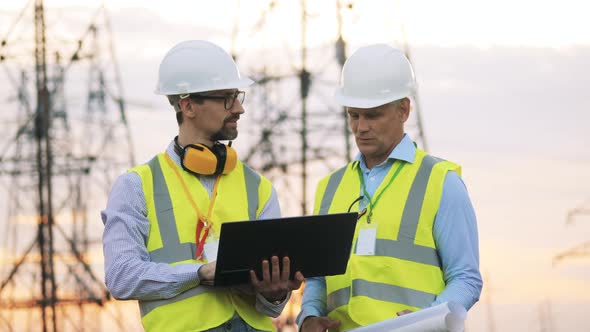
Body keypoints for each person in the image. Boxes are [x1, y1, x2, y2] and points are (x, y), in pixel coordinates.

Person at [101, 40, 304, 332]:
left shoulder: (257, 187)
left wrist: (275, 292)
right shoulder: (136, 186)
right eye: (227, 98)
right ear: (188, 105)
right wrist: (197, 273)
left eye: (237, 96)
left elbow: (271, 306)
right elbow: (121, 275)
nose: (239, 108)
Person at [297, 44, 483, 331]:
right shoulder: (329, 188)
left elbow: (466, 278)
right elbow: (318, 278)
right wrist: (308, 316)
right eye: (353, 115)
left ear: (404, 110)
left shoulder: (441, 181)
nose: (361, 127)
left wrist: (427, 322)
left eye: (373, 115)